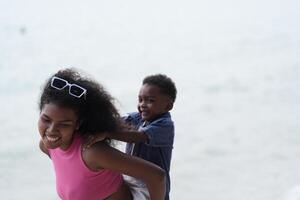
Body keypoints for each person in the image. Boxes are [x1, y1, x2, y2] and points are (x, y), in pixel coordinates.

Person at [38, 68, 166, 200]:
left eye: (64, 124)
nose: (52, 129)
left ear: (78, 123)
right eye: (46, 119)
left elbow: (157, 176)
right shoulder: (47, 146)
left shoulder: (91, 152)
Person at [87, 74, 177, 200]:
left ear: (167, 106)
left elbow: (138, 136)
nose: (143, 105)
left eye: (150, 100)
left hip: (151, 187)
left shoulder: (165, 125)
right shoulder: (138, 118)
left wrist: (107, 133)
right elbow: (115, 122)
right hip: (131, 179)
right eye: (140, 100)